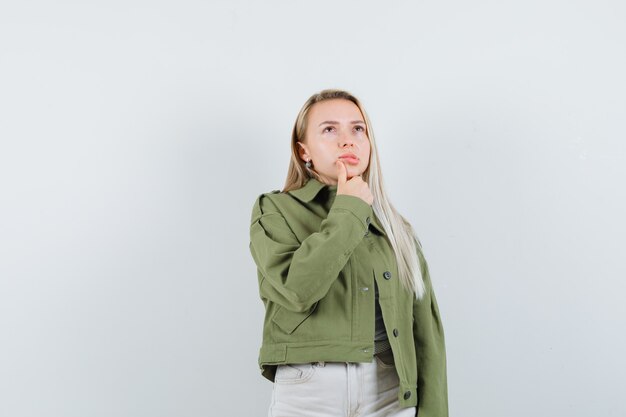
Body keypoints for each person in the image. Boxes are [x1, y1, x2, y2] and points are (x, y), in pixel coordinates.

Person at [248, 89, 448, 417]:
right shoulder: (275, 210)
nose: (347, 140)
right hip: (309, 390)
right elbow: (298, 290)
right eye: (329, 129)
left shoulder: (396, 227)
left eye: (358, 129)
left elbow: (425, 332)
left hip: (390, 392)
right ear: (304, 150)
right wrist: (350, 208)